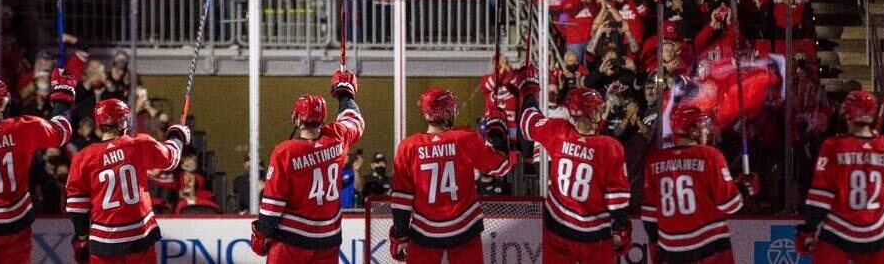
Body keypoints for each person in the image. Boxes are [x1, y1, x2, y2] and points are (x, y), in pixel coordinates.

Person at [0, 72, 75, 264]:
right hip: (16, 223)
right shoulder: (24, 128)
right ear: (5, 101)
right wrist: (63, 97)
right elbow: (62, 132)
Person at [388, 87, 514, 264]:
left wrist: (401, 234)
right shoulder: (464, 139)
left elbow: (401, 199)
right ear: (446, 113)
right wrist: (497, 130)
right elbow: (502, 166)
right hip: (465, 229)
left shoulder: (407, 147)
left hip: (425, 232)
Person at [249, 70, 364, 263]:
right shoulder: (337, 138)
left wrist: (263, 233)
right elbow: (355, 120)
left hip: (291, 242)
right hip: (328, 240)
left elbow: (273, 203)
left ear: (297, 118)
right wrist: (345, 95)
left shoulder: (285, 151)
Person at [517, 77, 631, 263]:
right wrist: (619, 229)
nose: (601, 112)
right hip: (592, 234)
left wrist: (529, 92)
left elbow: (527, 122)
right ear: (592, 112)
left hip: (557, 226)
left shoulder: (558, 131)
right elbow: (617, 198)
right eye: (598, 109)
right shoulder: (609, 147)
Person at [65, 98, 191, 263]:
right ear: (121, 122)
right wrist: (177, 135)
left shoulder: (82, 157)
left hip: (103, 242)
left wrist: (82, 238)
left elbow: (77, 206)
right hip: (139, 237)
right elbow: (171, 158)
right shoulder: (139, 143)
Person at [641, 103, 759, 264]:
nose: (706, 130)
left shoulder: (654, 162)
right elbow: (730, 204)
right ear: (692, 130)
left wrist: (656, 248)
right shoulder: (710, 156)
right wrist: (746, 188)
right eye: (702, 126)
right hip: (710, 248)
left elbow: (649, 215)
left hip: (671, 250)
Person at [795, 91, 884, 263]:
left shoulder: (833, 146)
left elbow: (821, 196)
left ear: (847, 114)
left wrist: (809, 229)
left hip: (838, 230)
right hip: (876, 232)